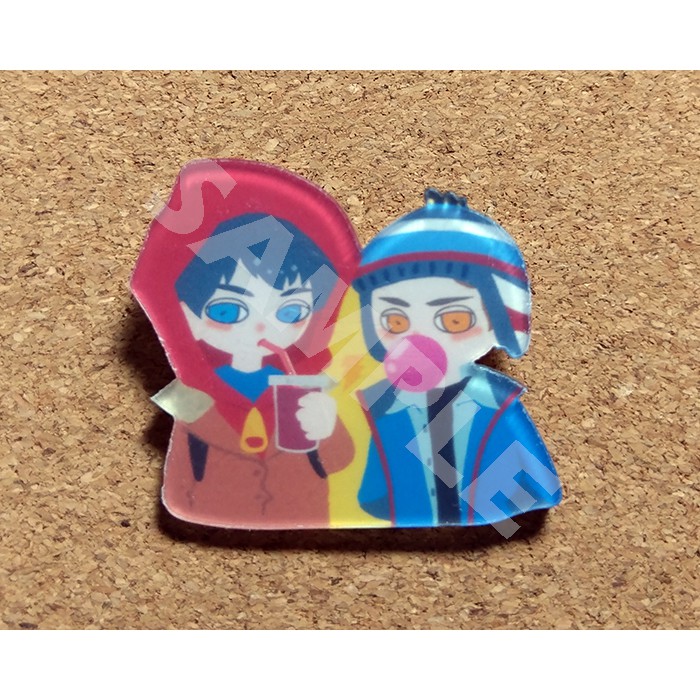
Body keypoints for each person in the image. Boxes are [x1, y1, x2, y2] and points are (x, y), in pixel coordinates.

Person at [132, 161, 358, 529]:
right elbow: (186, 472)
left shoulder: (303, 389)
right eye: (227, 311)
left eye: (291, 312)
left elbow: (339, 462)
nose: (261, 327)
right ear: (188, 316)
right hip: (212, 507)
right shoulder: (191, 397)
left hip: (304, 507)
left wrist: (326, 427)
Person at [351, 189, 562, 529]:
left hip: (492, 524)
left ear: (501, 319)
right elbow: (373, 495)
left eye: (454, 320)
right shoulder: (384, 409)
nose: (421, 339)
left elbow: (532, 490)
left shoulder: (496, 406)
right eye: (396, 321)